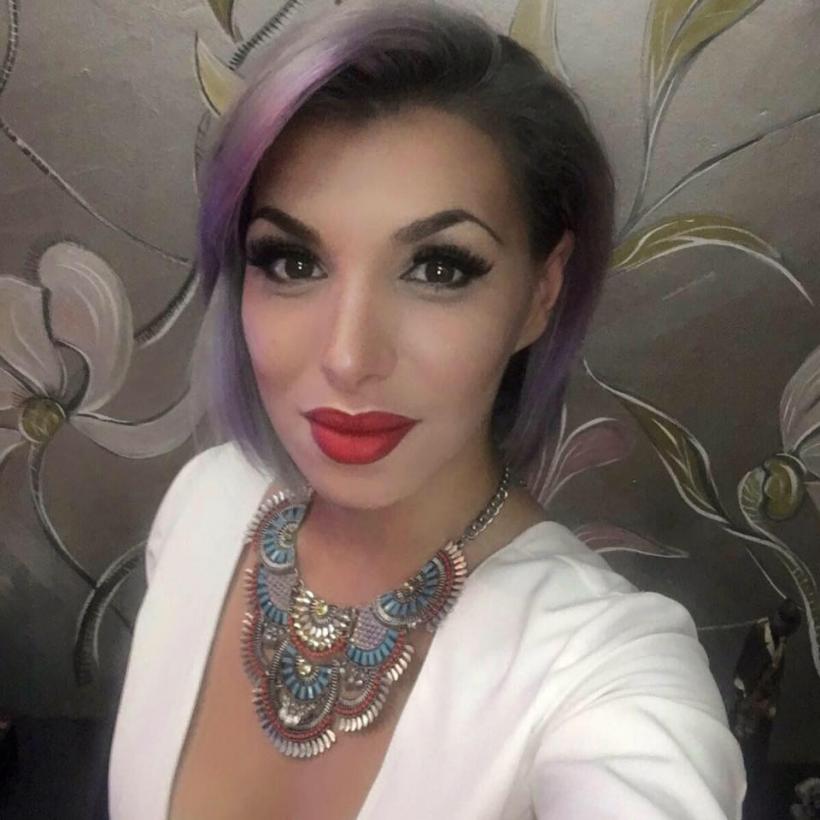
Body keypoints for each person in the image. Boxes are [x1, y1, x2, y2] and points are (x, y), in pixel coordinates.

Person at [108, 1, 747, 817]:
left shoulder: (604, 671)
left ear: (541, 292)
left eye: (439, 269)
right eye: (292, 261)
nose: (349, 358)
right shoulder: (203, 504)